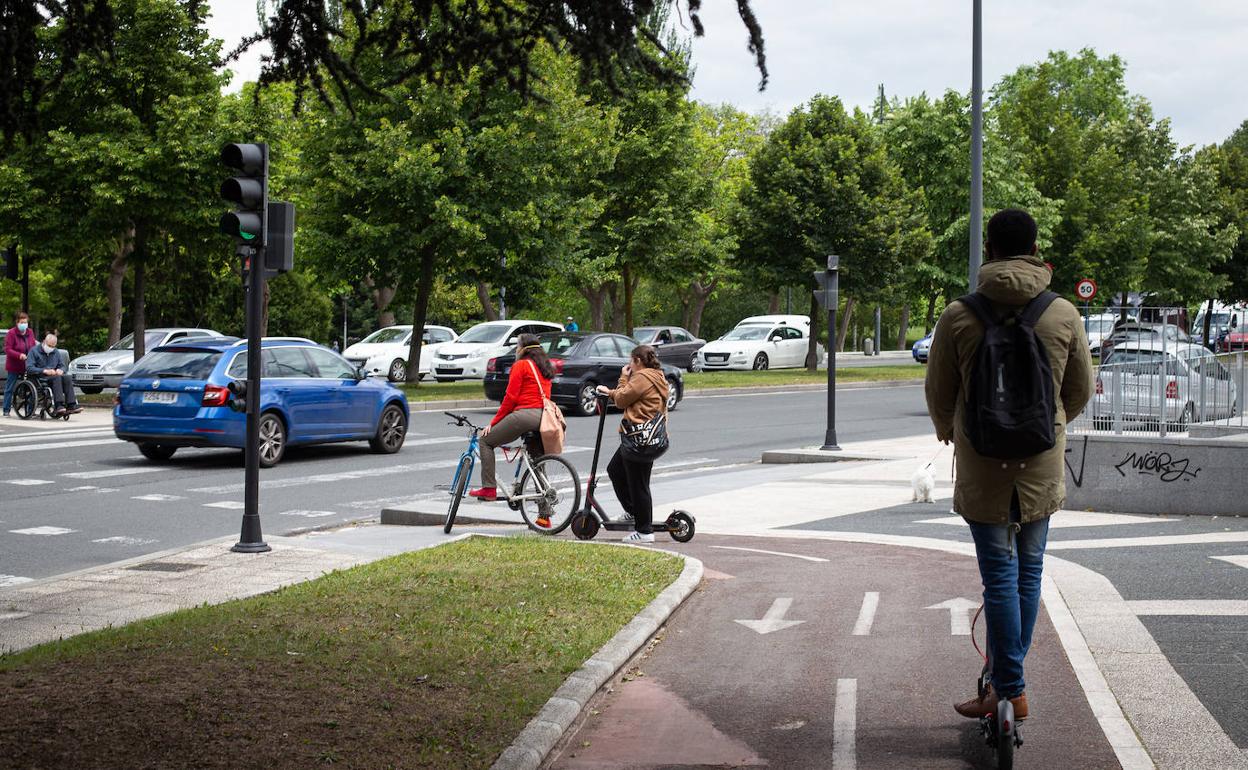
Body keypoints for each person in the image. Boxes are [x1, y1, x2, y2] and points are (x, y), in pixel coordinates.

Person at [925, 208, 1093, 721]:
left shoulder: (959, 314)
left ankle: (1008, 687)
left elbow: (939, 392)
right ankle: (1009, 687)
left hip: (981, 462)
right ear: (1035, 248)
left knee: (998, 576)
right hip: (1041, 459)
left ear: (991, 251)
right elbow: (1080, 389)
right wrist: (1052, 424)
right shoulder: (1062, 313)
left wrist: (954, 433)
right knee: (1029, 573)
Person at [470, 333, 554, 512]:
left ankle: (489, 488)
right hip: (543, 418)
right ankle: (544, 515)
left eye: (517, 345)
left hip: (525, 415)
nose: (516, 349)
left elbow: (510, 398)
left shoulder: (521, 365)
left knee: (485, 441)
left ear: (523, 348)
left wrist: (492, 423)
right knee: (536, 462)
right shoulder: (545, 367)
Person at [597, 345, 669, 544]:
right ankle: (633, 511)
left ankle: (644, 531)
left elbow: (621, 399)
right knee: (615, 470)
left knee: (638, 484)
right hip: (648, 437)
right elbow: (631, 395)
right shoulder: (657, 376)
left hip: (639, 438)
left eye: (630, 361)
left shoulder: (642, 377)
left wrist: (621, 379)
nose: (628, 365)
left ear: (638, 360)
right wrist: (613, 391)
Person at [26, 332, 82, 417]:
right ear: (44, 341)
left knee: (67, 377)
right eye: (49, 345)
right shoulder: (34, 351)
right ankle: (58, 405)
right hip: (40, 377)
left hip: (54, 375)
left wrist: (61, 370)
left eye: (53, 346)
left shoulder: (55, 352)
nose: (51, 348)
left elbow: (62, 365)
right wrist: (44, 370)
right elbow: (29, 368)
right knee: (57, 378)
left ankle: (71, 405)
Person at [4, 311, 36, 417]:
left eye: (25, 322)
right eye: (22, 322)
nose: (24, 324)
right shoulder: (11, 333)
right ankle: (6, 410)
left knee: (31, 387)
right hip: (14, 365)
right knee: (10, 387)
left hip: (27, 365)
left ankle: (30, 409)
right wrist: (19, 355)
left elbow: (33, 346)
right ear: (17, 322)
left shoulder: (30, 332)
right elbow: (8, 349)